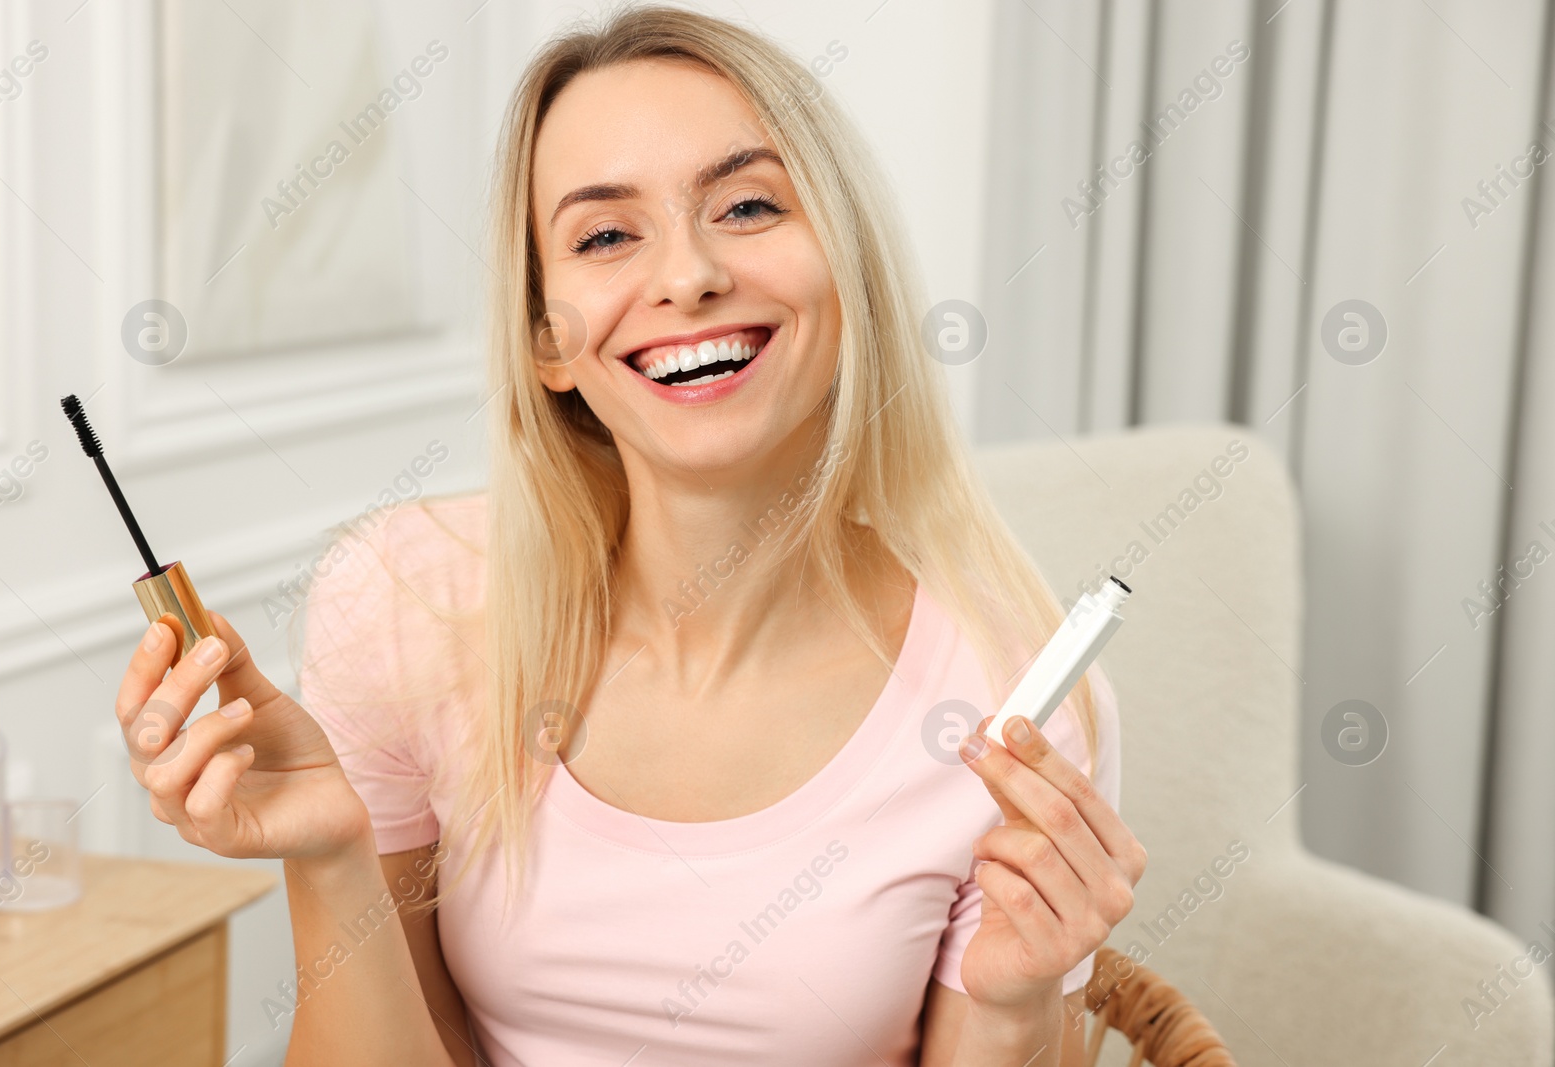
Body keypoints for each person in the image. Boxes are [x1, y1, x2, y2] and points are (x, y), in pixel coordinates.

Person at [113, 7, 1146, 1065]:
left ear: (851, 275)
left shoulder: (1021, 697)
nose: (687, 274)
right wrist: (331, 857)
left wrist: (1019, 1007)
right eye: (605, 234)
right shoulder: (402, 599)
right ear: (547, 341)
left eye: (747, 205)